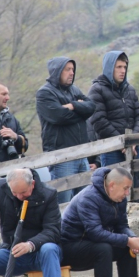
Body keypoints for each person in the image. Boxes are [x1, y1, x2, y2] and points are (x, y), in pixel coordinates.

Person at [61, 167, 139, 277]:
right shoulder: (88, 197)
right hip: (70, 248)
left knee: (125, 248)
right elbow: (95, 233)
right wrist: (127, 240)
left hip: (92, 243)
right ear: (111, 185)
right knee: (103, 248)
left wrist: (132, 239)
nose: (127, 193)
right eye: (125, 188)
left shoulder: (119, 199)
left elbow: (122, 226)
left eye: (128, 189)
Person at [36, 56, 96, 203]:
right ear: (57, 71)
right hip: (61, 156)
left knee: (85, 200)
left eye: (73, 70)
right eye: (67, 69)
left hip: (82, 154)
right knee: (64, 201)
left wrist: (73, 106)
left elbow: (91, 107)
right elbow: (59, 116)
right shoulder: (45, 93)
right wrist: (81, 112)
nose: (71, 73)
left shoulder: (74, 90)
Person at [88, 51, 139, 198]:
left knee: (136, 186)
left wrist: (133, 141)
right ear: (109, 67)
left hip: (133, 148)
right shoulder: (97, 90)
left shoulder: (130, 90)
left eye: (124, 67)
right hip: (111, 149)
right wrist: (121, 142)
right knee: (113, 191)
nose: (122, 71)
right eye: (118, 67)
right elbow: (99, 121)